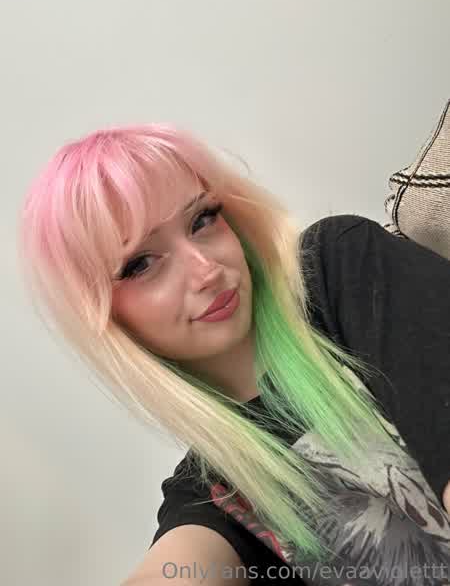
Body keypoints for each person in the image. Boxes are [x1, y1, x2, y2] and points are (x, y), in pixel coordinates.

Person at [18, 124, 450, 586]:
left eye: (202, 219)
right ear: (104, 316)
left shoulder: (341, 267)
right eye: (140, 264)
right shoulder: (213, 490)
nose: (206, 270)